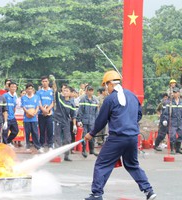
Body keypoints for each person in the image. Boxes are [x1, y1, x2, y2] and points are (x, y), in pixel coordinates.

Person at [83, 70, 156, 200]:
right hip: (133, 137)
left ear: (110, 84)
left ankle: (97, 194)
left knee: (102, 164)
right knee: (132, 165)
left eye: (106, 85)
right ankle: (149, 191)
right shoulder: (132, 96)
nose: (105, 89)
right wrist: (129, 123)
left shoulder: (110, 99)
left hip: (117, 138)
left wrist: (91, 133)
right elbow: (139, 115)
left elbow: (101, 120)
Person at [52, 81, 77, 161]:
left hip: (66, 121)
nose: (65, 92)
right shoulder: (59, 98)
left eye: (67, 91)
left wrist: (74, 125)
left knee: (67, 139)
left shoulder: (72, 104)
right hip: (58, 120)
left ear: (70, 93)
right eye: (64, 91)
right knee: (57, 138)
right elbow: (55, 89)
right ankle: (57, 155)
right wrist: (54, 81)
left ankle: (66, 156)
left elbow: (73, 116)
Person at [77, 85, 99, 158]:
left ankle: (92, 149)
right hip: (84, 121)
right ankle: (84, 150)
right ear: (86, 91)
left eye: (92, 90)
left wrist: (97, 121)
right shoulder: (83, 99)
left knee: (92, 135)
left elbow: (96, 112)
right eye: (89, 90)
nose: (90, 92)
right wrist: (79, 120)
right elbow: (80, 111)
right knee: (84, 136)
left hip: (92, 121)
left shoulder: (95, 100)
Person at [21, 83, 43, 153]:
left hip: (34, 118)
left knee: (35, 133)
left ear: (33, 89)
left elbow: (37, 107)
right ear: (26, 90)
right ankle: (27, 146)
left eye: (31, 89)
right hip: (26, 118)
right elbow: (23, 107)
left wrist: (35, 113)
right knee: (27, 133)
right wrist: (28, 112)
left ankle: (38, 147)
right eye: (28, 89)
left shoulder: (36, 97)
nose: (30, 90)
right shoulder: (23, 98)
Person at [162, 87, 182, 154]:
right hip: (172, 122)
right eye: (173, 92)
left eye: (176, 92)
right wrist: (165, 120)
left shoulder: (181, 102)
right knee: (172, 135)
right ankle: (172, 149)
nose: (174, 94)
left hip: (180, 122)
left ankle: (178, 149)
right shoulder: (170, 102)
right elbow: (166, 112)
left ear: (179, 93)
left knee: (180, 135)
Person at [37, 76, 54, 150]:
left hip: (50, 114)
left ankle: (50, 144)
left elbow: (53, 102)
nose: (44, 83)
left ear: (48, 82)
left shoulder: (52, 91)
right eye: (43, 81)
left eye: (46, 81)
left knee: (50, 129)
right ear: (41, 82)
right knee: (42, 129)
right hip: (41, 114)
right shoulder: (39, 92)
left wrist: (48, 110)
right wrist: (43, 110)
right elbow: (39, 102)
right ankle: (41, 144)